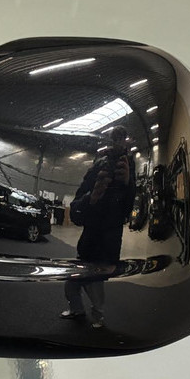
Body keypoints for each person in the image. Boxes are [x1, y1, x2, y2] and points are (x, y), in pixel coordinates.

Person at [61, 127, 136, 327]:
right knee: (71, 285)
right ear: (109, 141)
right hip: (88, 242)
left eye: (121, 138)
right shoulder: (97, 167)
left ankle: (98, 317)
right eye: (115, 138)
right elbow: (76, 212)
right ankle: (77, 310)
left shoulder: (128, 170)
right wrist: (92, 197)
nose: (118, 142)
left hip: (107, 245)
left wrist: (127, 184)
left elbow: (127, 212)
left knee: (95, 286)